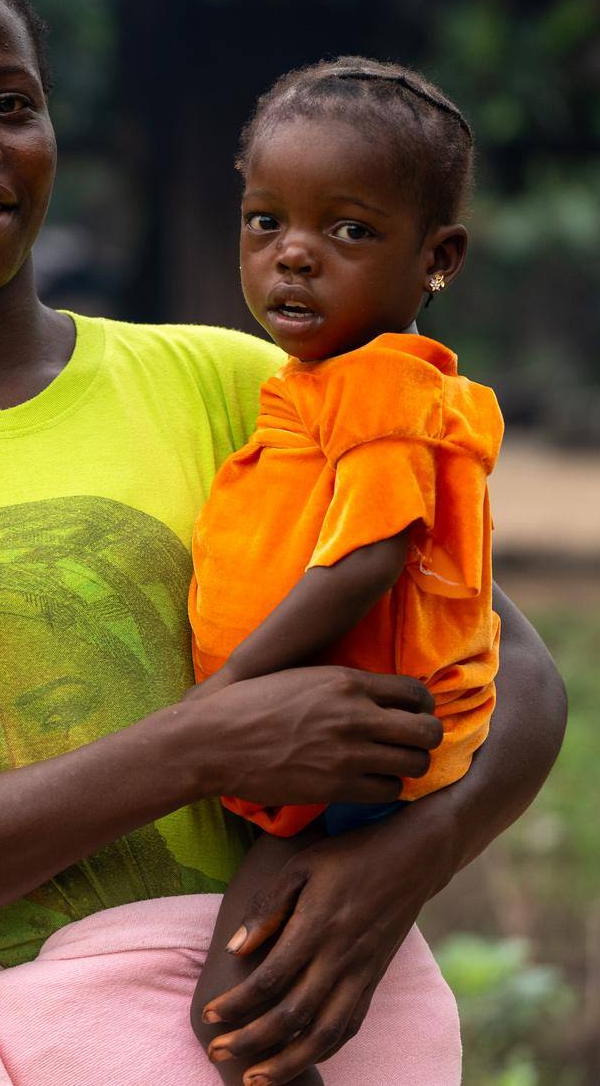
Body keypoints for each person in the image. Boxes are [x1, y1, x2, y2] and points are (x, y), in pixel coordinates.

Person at [0, 0, 566, 1085]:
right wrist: (198, 746)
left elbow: (514, 668)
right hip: (59, 1036)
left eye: (7, 103)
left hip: (305, 1002)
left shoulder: (240, 386)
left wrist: (407, 857)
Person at [185, 58, 503, 1086]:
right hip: (333, 745)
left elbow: (365, 558)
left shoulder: (375, 384)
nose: (292, 258)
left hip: (348, 757)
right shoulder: (320, 386)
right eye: (264, 221)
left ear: (434, 258)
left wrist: (224, 700)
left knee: (235, 1016)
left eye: (348, 231)